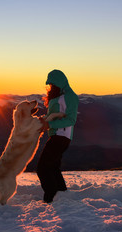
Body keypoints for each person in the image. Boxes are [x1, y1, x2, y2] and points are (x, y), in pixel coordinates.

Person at [37, 69, 79, 203]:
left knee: (42, 168)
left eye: (53, 84)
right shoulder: (60, 95)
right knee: (52, 167)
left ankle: (50, 199)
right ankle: (62, 196)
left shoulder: (70, 96)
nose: (51, 87)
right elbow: (54, 115)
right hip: (57, 136)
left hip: (61, 136)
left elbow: (71, 120)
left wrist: (50, 125)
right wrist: (43, 121)